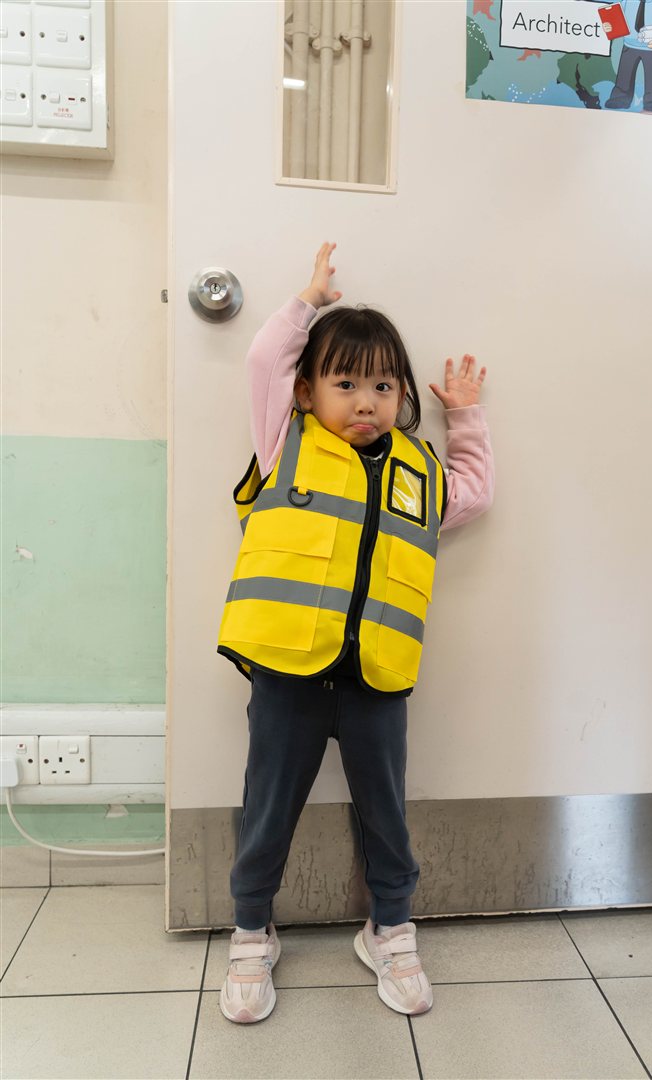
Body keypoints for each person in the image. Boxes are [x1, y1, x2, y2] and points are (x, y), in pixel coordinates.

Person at [217, 243, 495, 1023]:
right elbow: (263, 361)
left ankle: (390, 929)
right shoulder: (285, 441)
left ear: (402, 395)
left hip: (377, 678)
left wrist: (465, 418)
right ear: (306, 392)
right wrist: (305, 303)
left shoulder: (419, 470)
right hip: (287, 673)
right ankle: (251, 930)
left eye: (382, 386)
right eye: (345, 384)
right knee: (268, 807)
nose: (365, 402)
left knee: (385, 813)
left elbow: (475, 493)